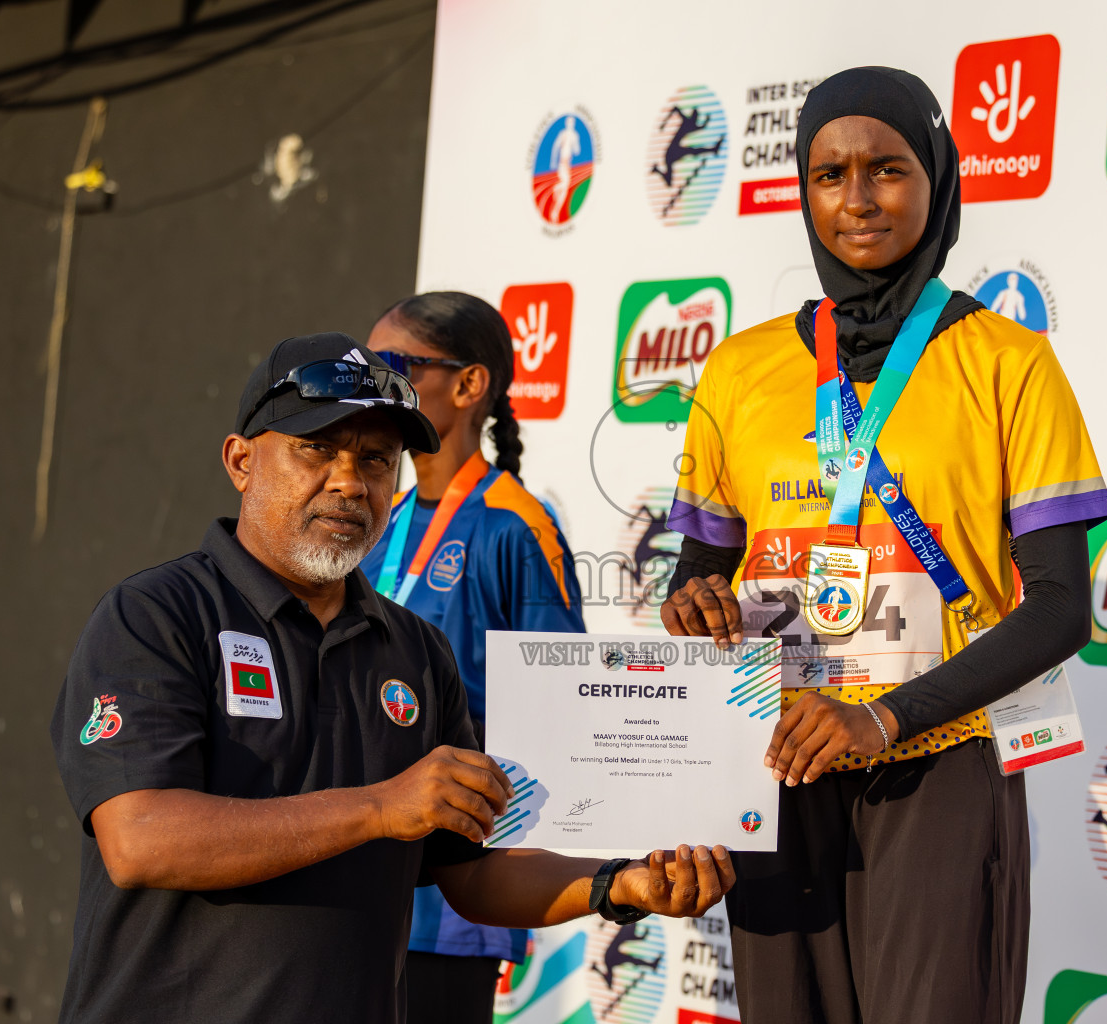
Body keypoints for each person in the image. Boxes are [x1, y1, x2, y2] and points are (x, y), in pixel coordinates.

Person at [50, 332, 733, 1024]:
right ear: (241, 461)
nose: (350, 481)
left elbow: (471, 874)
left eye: (376, 460)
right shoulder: (156, 616)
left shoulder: (416, 652)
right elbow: (141, 839)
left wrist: (620, 884)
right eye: (316, 448)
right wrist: (380, 807)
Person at [661, 67, 1107, 1024]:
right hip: (776, 757)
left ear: (939, 179)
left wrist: (883, 719)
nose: (857, 200)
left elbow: (1063, 604)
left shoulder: (1007, 362)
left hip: (938, 763)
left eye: (887, 169)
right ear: (802, 189)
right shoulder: (739, 369)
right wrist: (692, 600)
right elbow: (700, 566)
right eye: (829, 175)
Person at [361, 293, 585, 1024]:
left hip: (455, 893)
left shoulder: (514, 526)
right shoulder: (377, 517)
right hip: (355, 875)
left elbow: (564, 705)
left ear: (468, 385)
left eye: (396, 365)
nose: (375, 380)